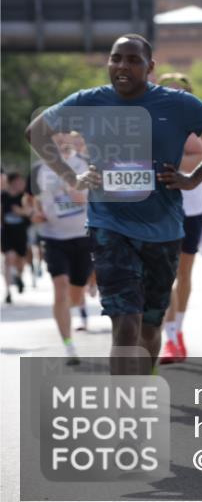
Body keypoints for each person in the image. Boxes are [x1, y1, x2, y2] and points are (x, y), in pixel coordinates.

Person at [25, 34, 202, 374]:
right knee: (125, 324)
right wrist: (72, 177)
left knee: (149, 326)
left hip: (163, 227)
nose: (122, 66)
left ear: (150, 67)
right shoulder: (89, 102)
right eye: (116, 58)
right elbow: (37, 131)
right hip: (108, 225)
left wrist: (195, 177)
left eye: (132, 60)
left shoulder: (178, 104)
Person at [26, 133, 93, 363]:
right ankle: (69, 345)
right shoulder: (38, 170)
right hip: (53, 237)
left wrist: (79, 198)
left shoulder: (84, 163)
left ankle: (72, 309)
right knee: (60, 286)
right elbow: (29, 199)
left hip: (82, 236)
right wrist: (34, 213)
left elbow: (97, 196)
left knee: (75, 294)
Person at [157, 74, 202, 364]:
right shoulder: (155, 124)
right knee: (166, 274)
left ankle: (179, 328)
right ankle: (171, 336)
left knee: (184, 275)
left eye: (181, 92)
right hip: (166, 208)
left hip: (194, 208)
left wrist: (169, 165)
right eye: (169, 91)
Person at [1, 172, 30, 303]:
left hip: (21, 232)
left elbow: (31, 212)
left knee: (20, 260)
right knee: (8, 258)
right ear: (11, 182)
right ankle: (8, 291)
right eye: (18, 182)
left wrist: (20, 211)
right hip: (7, 233)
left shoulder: (24, 197)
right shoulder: (3, 197)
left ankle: (18, 276)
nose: (21, 184)